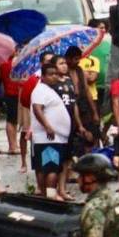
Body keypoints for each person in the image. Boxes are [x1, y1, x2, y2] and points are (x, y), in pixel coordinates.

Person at [50, 55, 91, 200]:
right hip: (56, 124)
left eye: (64, 63)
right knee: (56, 158)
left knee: (67, 159)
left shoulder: (68, 81)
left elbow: (74, 105)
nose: (64, 66)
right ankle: (52, 191)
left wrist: (79, 124)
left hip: (70, 124)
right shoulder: (51, 84)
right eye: (60, 64)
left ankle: (63, 189)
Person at [31, 64, 71, 199]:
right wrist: (47, 126)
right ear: (43, 76)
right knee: (51, 168)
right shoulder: (40, 90)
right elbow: (37, 109)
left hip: (55, 137)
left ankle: (46, 196)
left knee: (48, 168)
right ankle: (50, 195)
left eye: (56, 74)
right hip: (48, 137)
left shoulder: (48, 90)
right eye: (50, 74)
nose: (54, 76)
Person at [20, 51, 55, 186]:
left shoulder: (59, 78)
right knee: (39, 153)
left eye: (52, 61)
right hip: (38, 122)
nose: (50, 64)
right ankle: (41, 186)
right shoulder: (34, 79)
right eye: (47, 61)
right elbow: (25, 100)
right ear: (41, 63)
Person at [0, 51, 22, 164]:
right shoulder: (10, 63)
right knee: (12, 120)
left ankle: (14, 145)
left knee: (13, 119)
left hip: (12, 93)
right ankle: (12, 146)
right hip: (13, 93)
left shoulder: (3, 63)